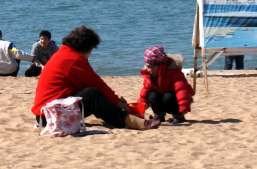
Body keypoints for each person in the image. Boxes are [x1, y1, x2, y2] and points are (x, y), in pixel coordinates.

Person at [31, 26, 160, 130]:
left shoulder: (63, 54)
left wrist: (113, 101)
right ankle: (130, 121)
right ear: (85, 47)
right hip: (49, 116)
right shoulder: (73, 60)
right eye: (91, 49)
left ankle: (123, 116)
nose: (91, 53)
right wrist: (117, 102)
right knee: (93, 94)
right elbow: (98, 84)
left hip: (45, 114)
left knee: (93, 94)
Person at [138, 46, 195, 124]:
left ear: (161, 65)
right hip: (162, 101)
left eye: (153, 67)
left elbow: (182, 89)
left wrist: (184, 106)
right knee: (152, 95)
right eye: (148, 67)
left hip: (176, 101)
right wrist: (139, 108)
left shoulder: (173, 72)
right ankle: (159, 115)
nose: (150, 70)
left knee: (168, 96)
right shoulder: (149, 75)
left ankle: (178, 116)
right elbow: (144, 93)